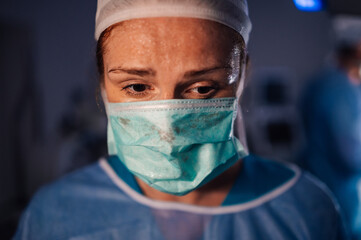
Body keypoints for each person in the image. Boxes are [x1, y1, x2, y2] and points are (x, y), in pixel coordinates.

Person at [14, 0, 347, 239]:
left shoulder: (304, 211)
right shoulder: (55, 216)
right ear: (102, 84)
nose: (168, 132)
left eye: (202, 88)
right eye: (137, 86)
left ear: (243, 75)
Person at [299, 23, 361, 239]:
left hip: (323, 184)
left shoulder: (325, 82)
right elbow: (350, 156)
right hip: (337, 190)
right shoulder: (338, 89)